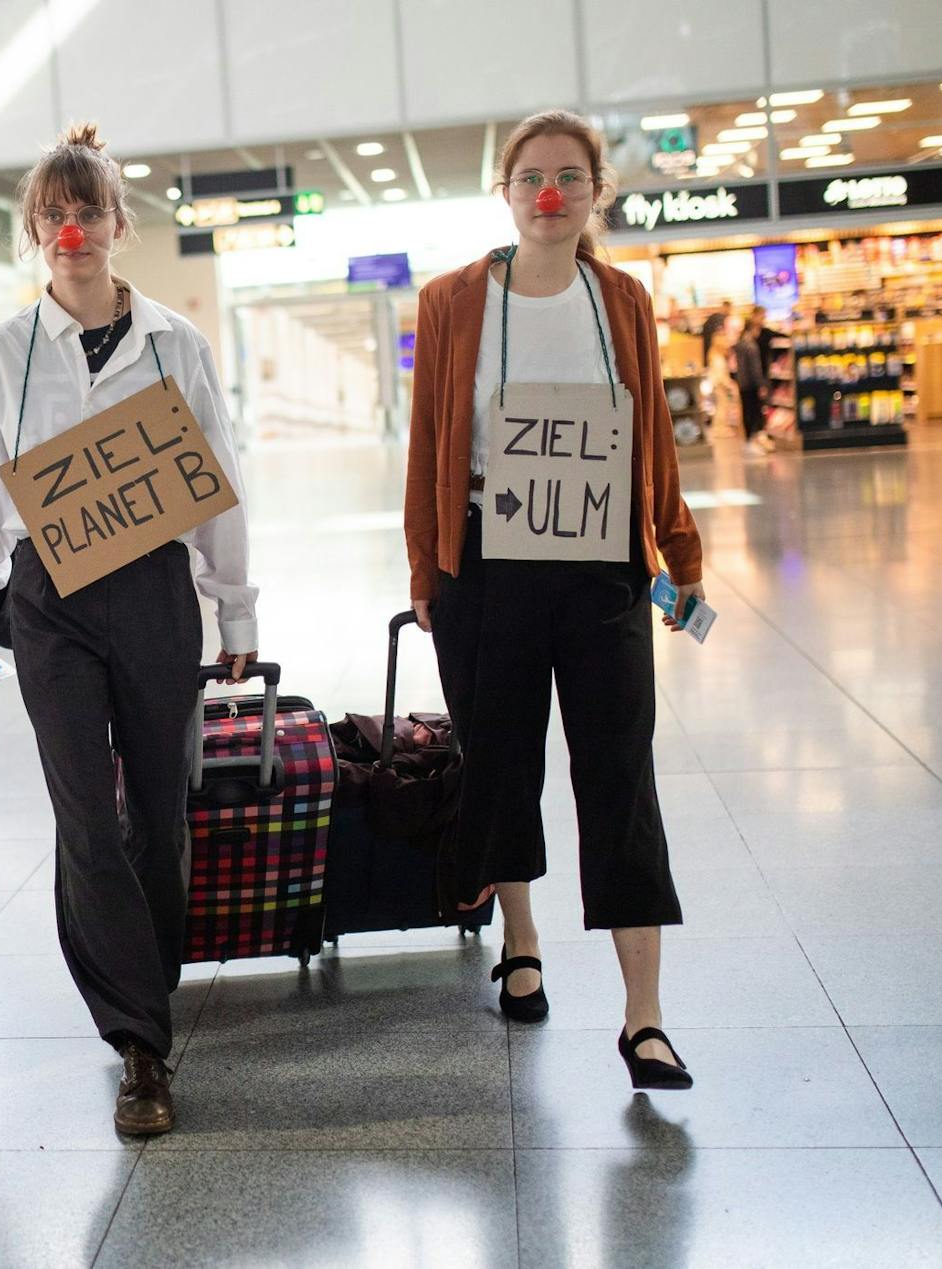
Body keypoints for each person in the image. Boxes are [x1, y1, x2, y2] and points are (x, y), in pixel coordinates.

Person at [0, 123, 258, 1136]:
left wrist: (234, 603)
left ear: (119, 225)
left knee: (157, 812)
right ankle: (138, 1044)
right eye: (53, 214)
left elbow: (215, 481)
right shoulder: (3, 349)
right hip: (50, 599)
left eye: (88, 212)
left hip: (156, 590)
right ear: (34, 230)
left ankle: (144, 997)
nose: (70, 228)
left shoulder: (176, 341)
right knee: (83, 814)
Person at [403, 109, 704, 1090]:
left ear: (595, 191)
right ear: (502, 190)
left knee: (618, 773)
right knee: (499, 762)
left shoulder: (619, 299)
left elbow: (647, 434)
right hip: (485, 565)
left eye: (568, 177)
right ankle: (519, 942)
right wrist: (426, 575)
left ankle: (644, 1018)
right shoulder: (451, 302)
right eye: (529, 177)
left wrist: (678, 551)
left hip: (597, 567)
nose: (547, 194)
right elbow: (427, 451)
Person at [735, 307, 772, 455]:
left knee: (746, 412)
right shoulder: (751, 346)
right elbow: (755, 368)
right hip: (751, 384)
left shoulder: (739, 344)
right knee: (755, 412)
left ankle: (748, 441)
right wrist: (761, 384)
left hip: (742, 383)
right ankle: (754, 441)